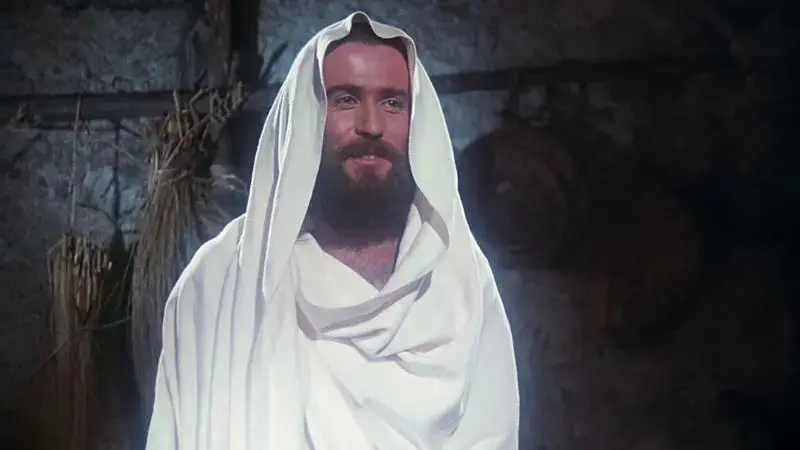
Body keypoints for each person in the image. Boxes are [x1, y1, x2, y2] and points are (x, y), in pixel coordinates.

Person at [145, 12, 519, 450]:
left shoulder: (460, 279)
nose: (371, 125)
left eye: (392, 103)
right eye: (345, 99)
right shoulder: (221, 280)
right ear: (307, 117)